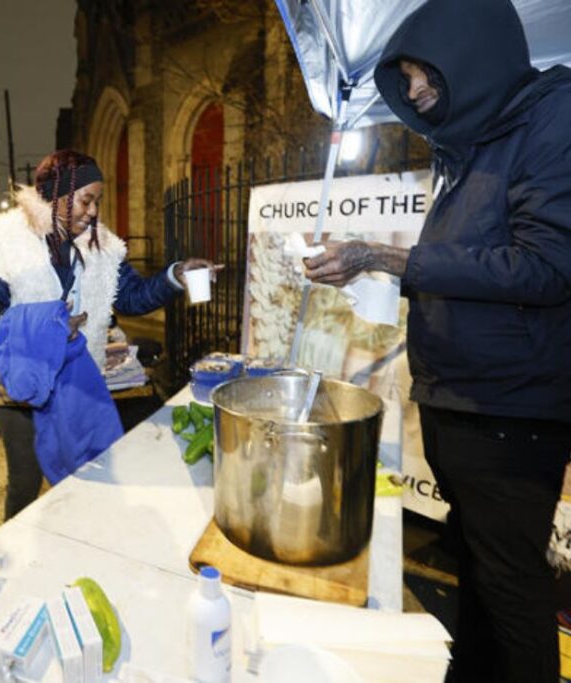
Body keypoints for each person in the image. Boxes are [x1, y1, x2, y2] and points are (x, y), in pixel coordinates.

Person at [302, 1, 571, 680]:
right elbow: (467, 268)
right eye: (412, 82)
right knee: (478, 572)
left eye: (429, 79)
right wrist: (375, 271)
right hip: (463, 402)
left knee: (511, 592)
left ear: (471, 53)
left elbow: (545, 266)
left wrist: (389, 260)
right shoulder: (472, 148)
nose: (419, 95)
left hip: (510, 412)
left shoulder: (553, 119)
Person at [0, 150, 221, 518]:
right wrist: (44, 324)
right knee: (25, 485)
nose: (94, 211)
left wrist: (173, 276)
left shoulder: (101, 245)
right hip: (22, 387)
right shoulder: (3, 243)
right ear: (55, 195)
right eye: (86, 200)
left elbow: (130, 297)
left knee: (89, 474)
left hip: (80, 378)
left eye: (97, 201)